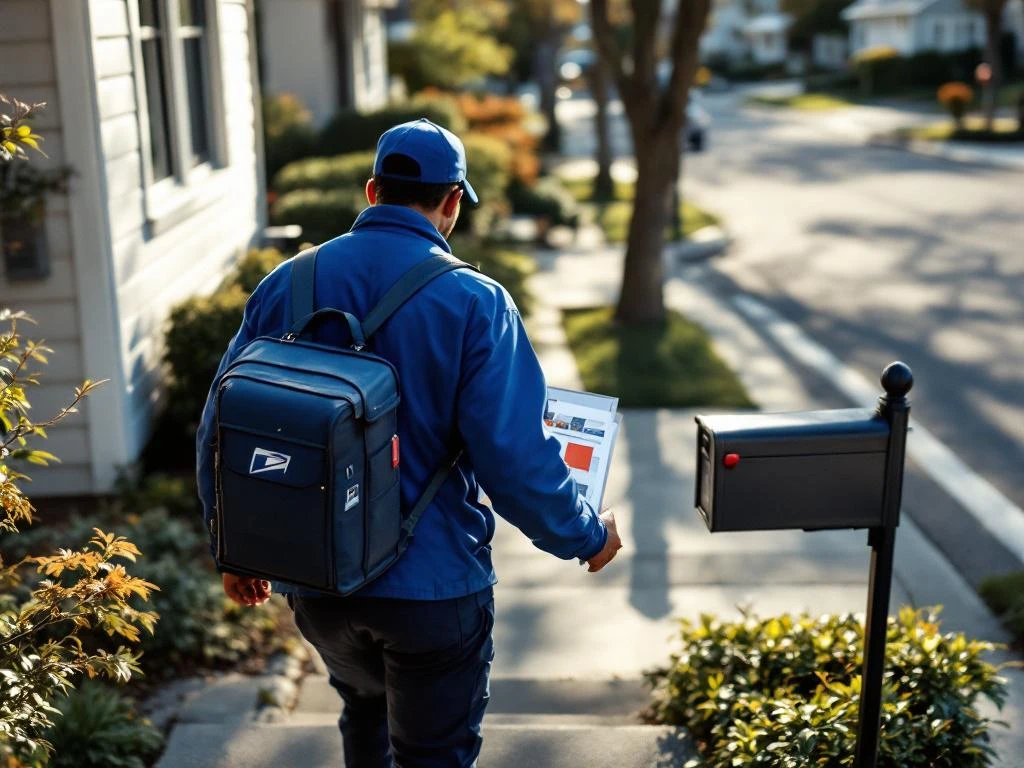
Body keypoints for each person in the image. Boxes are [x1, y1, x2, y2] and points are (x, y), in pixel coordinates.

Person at [196, 118, 622, 767]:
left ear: (373, 190)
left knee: (363, 709)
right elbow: (512, 459)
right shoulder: (476, 302)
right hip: (434, 589)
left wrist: (235, 546)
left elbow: (217, 428)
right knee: (433, 754)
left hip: (319, 586)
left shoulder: (287, 283)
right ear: (452, 201)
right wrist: (585, 535)